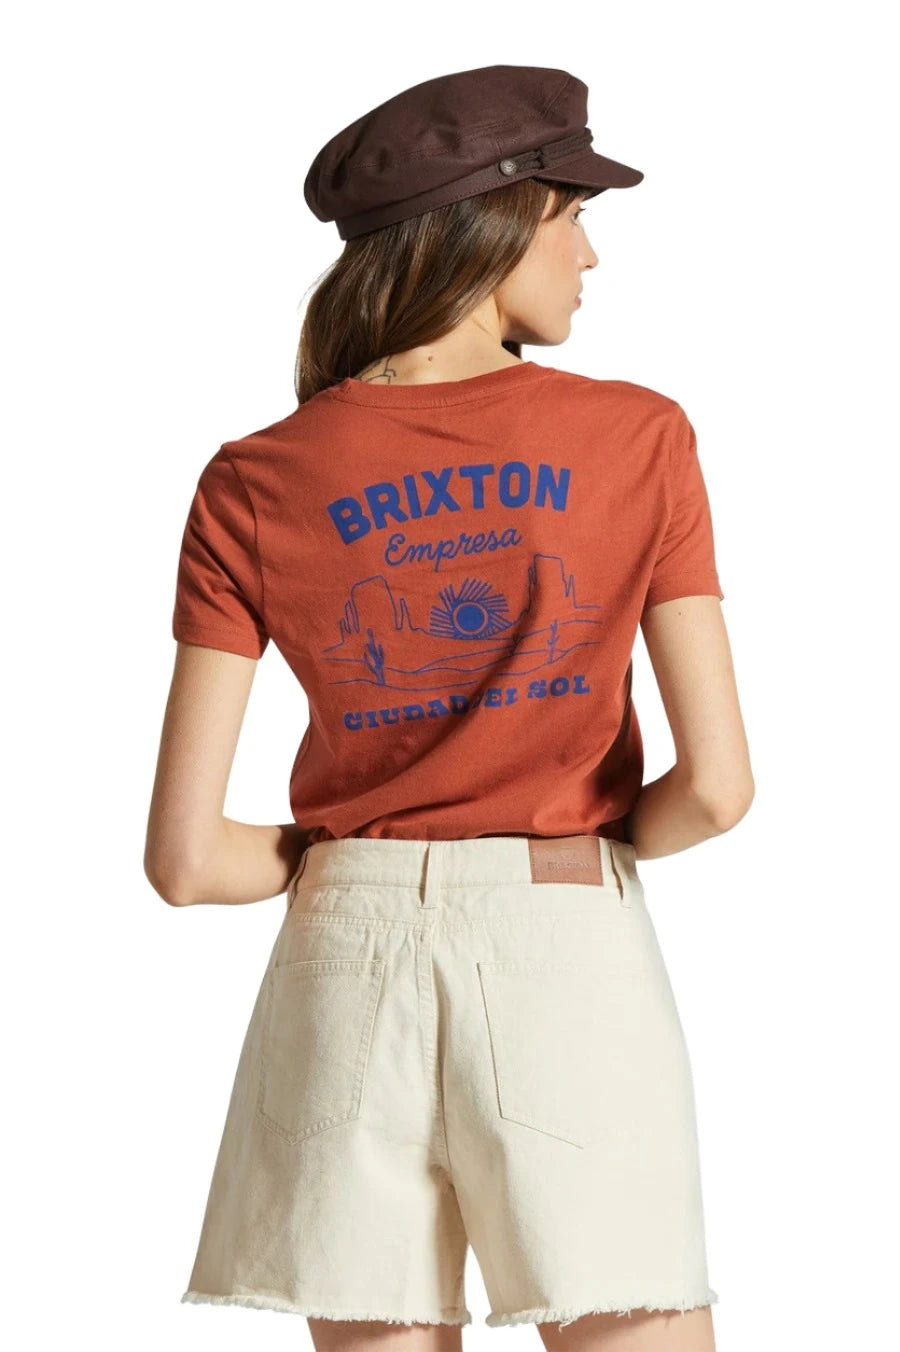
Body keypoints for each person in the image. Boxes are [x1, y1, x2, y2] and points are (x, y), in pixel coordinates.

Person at [145, 64, 753, 1352]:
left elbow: (188, 862)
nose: (591, 255)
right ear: (500, 219)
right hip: (561, 936)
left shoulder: (254, 477)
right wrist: (578, 838)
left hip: (340, 956)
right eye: (573, 216)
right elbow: (716, 789)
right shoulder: (637, 438)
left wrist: (367, 853)